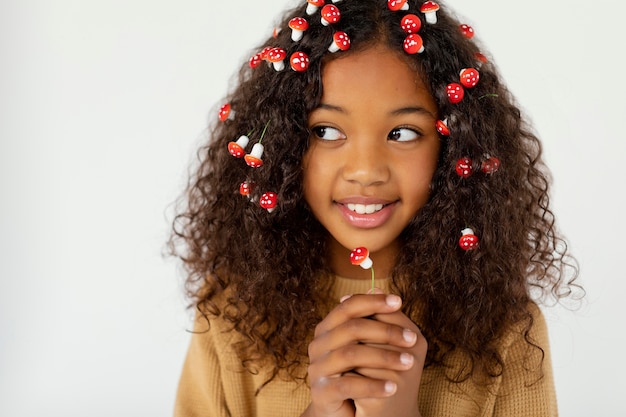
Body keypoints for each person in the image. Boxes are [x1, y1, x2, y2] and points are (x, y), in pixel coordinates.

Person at [170, 0, 580, 416]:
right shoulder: (231, 312)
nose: (365, 171)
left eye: (402, 133)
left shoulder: (503, 328)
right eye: (326, 130)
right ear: (282, 145)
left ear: (453, 146)